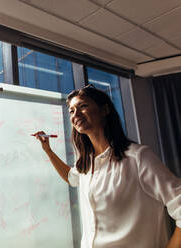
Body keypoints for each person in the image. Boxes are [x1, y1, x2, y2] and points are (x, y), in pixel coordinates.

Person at [33, 85, 181, 248]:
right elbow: (71, 178)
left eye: (83, 106)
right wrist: (48, 150)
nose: (76, 114)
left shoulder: (138, 158)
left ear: (104, 110)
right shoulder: (86, 165)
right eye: (71, 111)